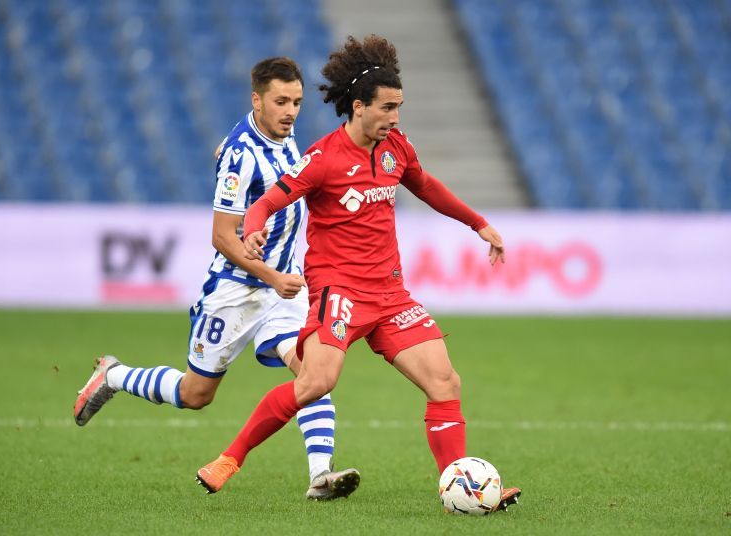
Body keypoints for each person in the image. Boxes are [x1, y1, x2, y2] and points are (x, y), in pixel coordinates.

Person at [195, 36, 521, 512]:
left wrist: (480, 224)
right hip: (339, 291)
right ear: (359, 106)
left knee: (445, 383)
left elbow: (426, 185)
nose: (395, 118)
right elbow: (267, 201)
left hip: (390, 293)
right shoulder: (323, 159)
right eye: (388, 108)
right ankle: (230, 458)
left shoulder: (396, 148)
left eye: (399, 108)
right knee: (314, 384)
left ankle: (461, 486)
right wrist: (255, 229)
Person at [73, 57, 360, 501]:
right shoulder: (240, 155)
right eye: (281, 101)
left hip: (282, 292)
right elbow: (222, 237)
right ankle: (113, 376)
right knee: (195, 394)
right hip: (234, 293)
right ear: (257, 100)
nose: (290, 111)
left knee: (313, 373)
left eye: (297, 102)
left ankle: (321, 475)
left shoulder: (281, 137)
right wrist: (270, 273)